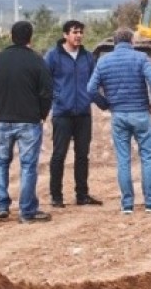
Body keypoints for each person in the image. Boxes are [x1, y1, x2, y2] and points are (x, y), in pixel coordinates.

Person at [87, 27, 151, 214]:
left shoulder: (104, 61)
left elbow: (90, 89)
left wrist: (106, 105)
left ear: (114, 42)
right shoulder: (140, 58)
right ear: (132, 41)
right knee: (147, 157)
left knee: (123, 160)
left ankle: (127, 204)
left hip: (119, 115)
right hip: (140, 113)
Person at [0, 21, 53, 224]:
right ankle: (27, 210)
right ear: (30, 37)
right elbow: (46, 92)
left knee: (0, 163)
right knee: (28, 166)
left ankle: (1, 206)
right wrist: (42, 114)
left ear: (11, 36)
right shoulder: (37, 61)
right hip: (29, 121)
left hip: (2, 120)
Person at [44, 20, 107, 208]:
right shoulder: (53, 56)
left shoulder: (88, 57)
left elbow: (95, 82)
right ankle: (56, 196)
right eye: (74, 32)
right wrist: (57, 98)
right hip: (62, 113)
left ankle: (82, 195)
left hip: (83, 114)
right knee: (59, 155)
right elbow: (45, 82)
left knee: (82, 155)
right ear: (65, 35)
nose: (78, 35)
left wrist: (99, 101)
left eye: (81, 32)